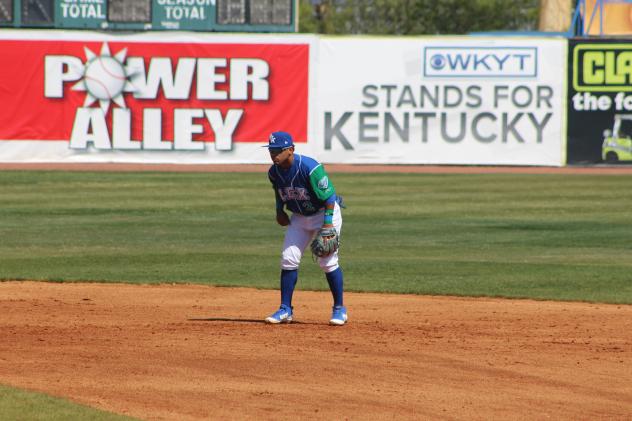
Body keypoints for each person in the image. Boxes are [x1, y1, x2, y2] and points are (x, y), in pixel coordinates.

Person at [263, 131, 347, 326]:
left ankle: (339, 309)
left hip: (324, 213)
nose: (273, 154)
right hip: (299, 217)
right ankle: (285, 309)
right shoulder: (273, 172)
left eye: (277, 150)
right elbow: (278, 192)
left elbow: (329, 197)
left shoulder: (309, 167)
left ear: (291, 150)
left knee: (327, 261)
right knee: (288, 258)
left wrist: (327, 224)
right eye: (271, 150)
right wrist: (279, 210)